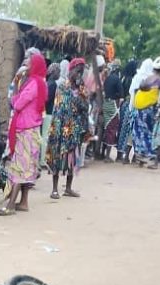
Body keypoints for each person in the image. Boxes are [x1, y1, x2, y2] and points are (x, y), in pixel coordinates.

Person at [0, 50, 47, 216]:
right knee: (27, 168)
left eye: (28, 64)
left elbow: (17, 103)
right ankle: (23, 202)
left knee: (19, 168)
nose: (25, 67)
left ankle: (11, 205)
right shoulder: (41, 83)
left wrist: (14, 94)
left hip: (25, 129)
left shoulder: (33, 84)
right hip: (32, 129)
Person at [46, 57, 89, 200]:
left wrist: (79, 96)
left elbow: (85, 106)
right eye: (78, 71)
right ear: (71, 70)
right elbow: (61, 106)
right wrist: (77, 99)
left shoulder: (81, 87)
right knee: (58, 155)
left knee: (72, 156)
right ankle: (54, 189)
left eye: (81, 72)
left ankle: (68, 188)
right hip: (60, 126)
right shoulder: (62, 86)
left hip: (74, 127)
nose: (79, 75)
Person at [131, 55, 160, 164]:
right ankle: (149, 154)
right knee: (149, 131)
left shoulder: (149, 78)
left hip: (140, 108)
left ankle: (140, 153)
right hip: (148, 108)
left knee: (140, 131)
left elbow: (142, 87)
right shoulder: (159, 80)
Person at [100, 59, 123, 159]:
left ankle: (102, 152)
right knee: (112, 130)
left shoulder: (108, 78)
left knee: (106, 128)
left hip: (106, 104)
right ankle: (107, 156)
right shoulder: (117, 79)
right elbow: (121, 94)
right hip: (113, 105)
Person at [116, 59, 138, 161]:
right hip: (130, 105)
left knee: (122, 129)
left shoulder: (123, 78)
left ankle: (119, 154)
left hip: (123, 105)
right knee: (128, 130)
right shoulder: (133, 80)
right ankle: (128, 155)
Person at [41, 63, 61, 167]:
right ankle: (43, 161)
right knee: (46, 137)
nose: (60, 74)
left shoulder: (48, 82)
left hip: (46, 113)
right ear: (54, 72)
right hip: (48, 113)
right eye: (58, 71)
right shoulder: (52, 84)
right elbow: (47, 99)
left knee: (45, 136)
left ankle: (43, 160)